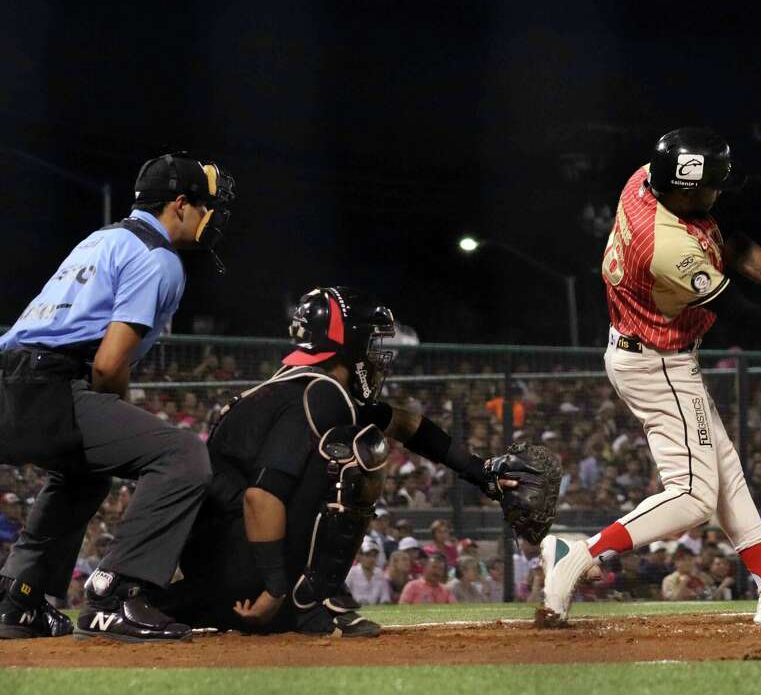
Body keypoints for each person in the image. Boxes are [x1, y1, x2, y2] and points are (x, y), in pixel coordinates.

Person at [539, 128, 761, 626]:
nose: (717, 195)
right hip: (656, 362)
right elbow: (734, 308)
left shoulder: (645, 179)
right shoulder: (666, 248)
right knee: (692, 497)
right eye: (710, 187)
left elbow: (733, 245)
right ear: (684, 189)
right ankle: (578, 554)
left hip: (654, 354)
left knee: (725, 469)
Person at [159, 287, 529, 636]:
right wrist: (275, 589)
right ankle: (312, 601)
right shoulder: (321, 394)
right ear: (348, 341)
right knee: (358, 450)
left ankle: (291, 599)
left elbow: (405, 424)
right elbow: (261, 497)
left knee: (357, 440)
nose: (376, 352)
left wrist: (480, 471)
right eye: (370, 340)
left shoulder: (298, 387)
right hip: (249, 581)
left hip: (219, 570)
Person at [0, 153, 235, 642]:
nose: (212, 216)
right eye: (206, 205)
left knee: (84, 473)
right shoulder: (159, 257)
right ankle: (115, 594)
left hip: (10, 380)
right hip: (47, 384)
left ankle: (17, 600)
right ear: (180, 204)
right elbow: (109, 364)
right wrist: (121, 410)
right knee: (184, 455)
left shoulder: (102, 238)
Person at [344, 539, 391, 605]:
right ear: (360, 556)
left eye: (374, 556)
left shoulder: (380, 573)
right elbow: (344, 594)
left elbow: (385, 596)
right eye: (367, 555)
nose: (371, 559)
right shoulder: (352, 572)